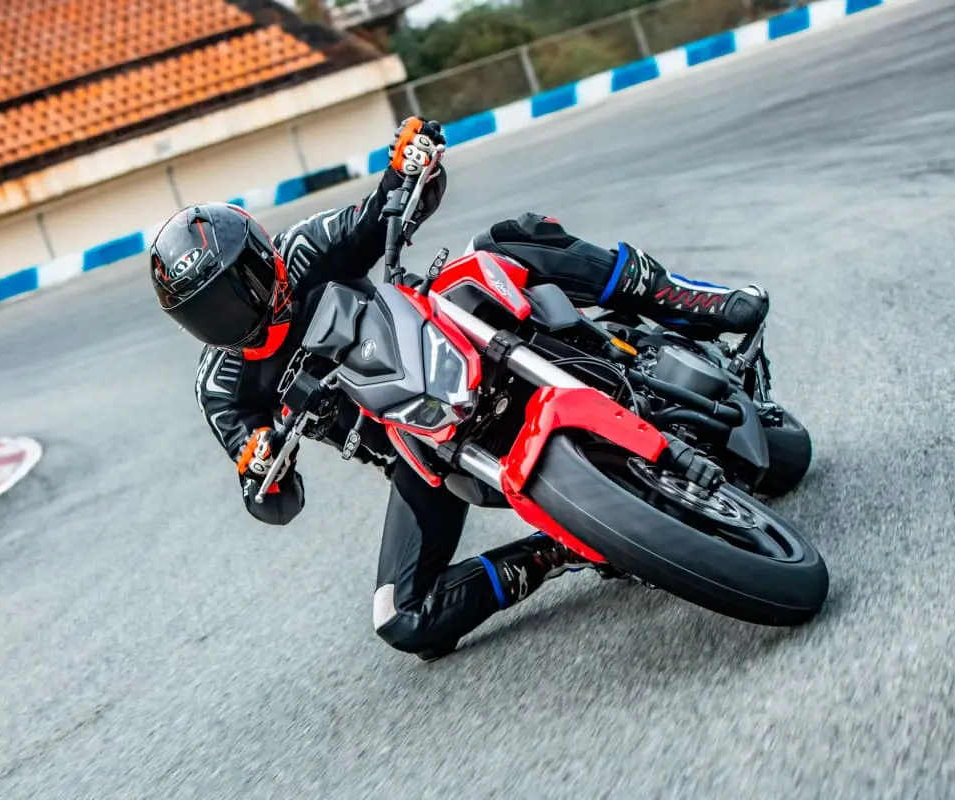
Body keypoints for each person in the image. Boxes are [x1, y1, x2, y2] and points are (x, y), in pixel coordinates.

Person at [149, 117, 768, 661]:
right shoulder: (221, 387)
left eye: (240, 286)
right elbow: (271, 498)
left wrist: (412, 162)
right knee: (401, 618)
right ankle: (561, 549)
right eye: (210, 313)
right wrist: (262, 469)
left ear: (262, 255)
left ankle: (684, 298)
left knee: (506, 241)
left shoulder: (306, 248)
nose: (236, 313)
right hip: (420, 447)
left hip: (444, 342)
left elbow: (387, 207)